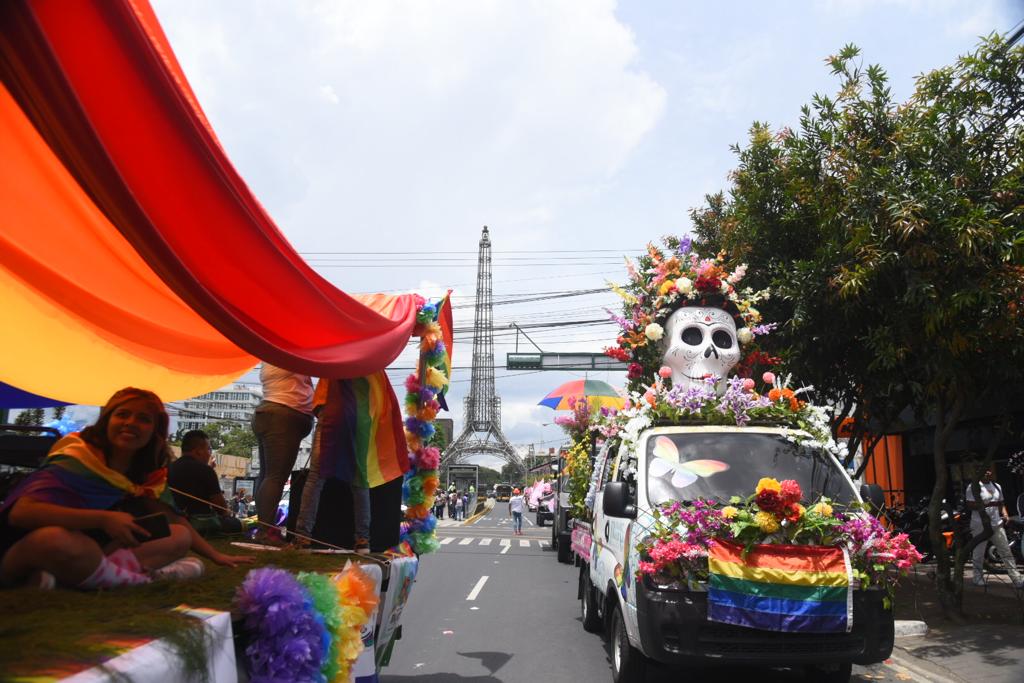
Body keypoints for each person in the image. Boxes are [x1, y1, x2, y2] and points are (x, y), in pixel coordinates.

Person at [0, 388, 252, 590]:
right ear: (108, 419)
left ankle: (79, 575)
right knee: (56, 540)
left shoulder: (146, 475)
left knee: (179, 535)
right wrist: (102, 519)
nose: (130, 423)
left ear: (155, 431)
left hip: (94, 551)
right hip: (24, 550)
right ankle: (142, 580)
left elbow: (174, 520)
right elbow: (21, 513)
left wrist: (216, 556)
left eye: (143, 419)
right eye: (122, 414)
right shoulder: (78, 457)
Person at [292, 378, 372, 554]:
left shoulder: (335, 350)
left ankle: (303, 538)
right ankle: (363, 541)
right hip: (360, 414)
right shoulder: (371, 354)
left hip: (332, 407)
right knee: (359, 478)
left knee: (316, 477)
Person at [252, 363, 314, 544]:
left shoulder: (270, 356)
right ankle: (266, 532)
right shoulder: (288, 353)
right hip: (283, 414)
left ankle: (264, 529)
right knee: (275, 478)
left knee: (267, 477)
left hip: (270, 412)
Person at [168, 430, 242, 535]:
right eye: (209, 449)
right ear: (198, 451)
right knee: (236, 524)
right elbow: (221, 508)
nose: (209, 454)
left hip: (173, 522)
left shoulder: (169, 468)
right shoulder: (206, 470)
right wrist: (228, 514)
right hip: (199, 523)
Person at [966, 467, 1024, 588]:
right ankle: (977, 578)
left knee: (1005, 551)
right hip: (980, 525)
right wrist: (988, 504)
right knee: (979, 553)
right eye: (984, 470)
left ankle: (1017, 579)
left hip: (997, 524)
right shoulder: (973, 487)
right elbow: (970, 504)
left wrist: (1005, 514)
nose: (987, 472)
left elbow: (1001, 503)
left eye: (989, 470)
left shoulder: (997, 486)